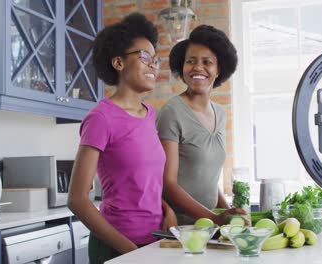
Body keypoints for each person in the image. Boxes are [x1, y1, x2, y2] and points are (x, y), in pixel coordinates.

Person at [68, 13, 176, 264]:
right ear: (118, 63)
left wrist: (166, 209)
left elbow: (141, 183)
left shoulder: (150, 116)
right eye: (145, 57)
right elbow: (77, 199)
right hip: (116, 247)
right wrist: (129, 250)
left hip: (153, 242)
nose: (154, 65)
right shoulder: (101, 118)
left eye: (156, 59)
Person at [156, 25, 244, 226]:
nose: (197, 68)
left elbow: (209, 181)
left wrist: (226, 211)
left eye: (207, 62)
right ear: (182, 67)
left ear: (218, 69)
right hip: (180, 228)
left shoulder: (220, 114)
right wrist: (213, 218)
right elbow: (167, 184)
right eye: (191, 61)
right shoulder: (172, 112)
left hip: (208, 226)